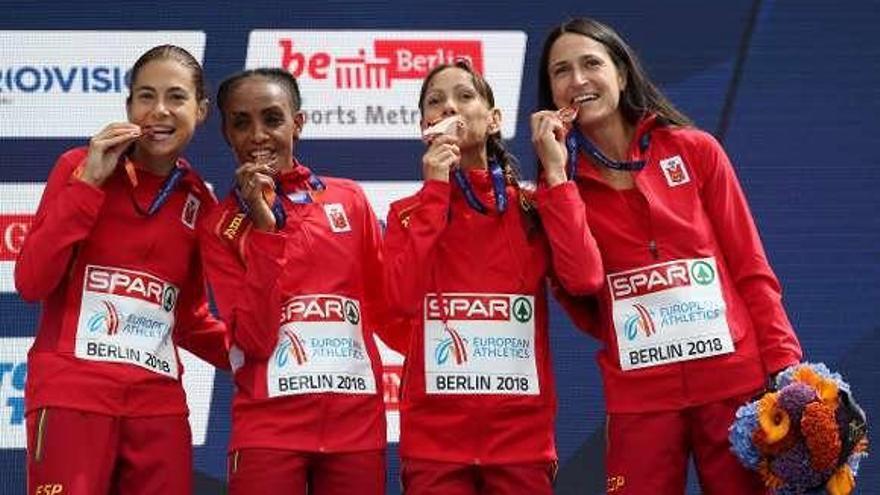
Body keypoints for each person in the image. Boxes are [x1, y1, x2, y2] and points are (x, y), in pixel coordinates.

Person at [531, 17, 803, 494]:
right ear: (551, 92)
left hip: (734, 389)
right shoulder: (558, 191)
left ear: (622, 72)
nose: (577, 81)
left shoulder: (696, 151)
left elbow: (751, 270)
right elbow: (582, 283)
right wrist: (557, 178)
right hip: (642, 398)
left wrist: (787, 370)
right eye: (561, 71)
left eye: (591, 63)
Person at [14, 44, 228, 494]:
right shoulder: (79, 167)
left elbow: (188, 320)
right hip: (74, 396)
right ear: (128, 105)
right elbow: (32, 282)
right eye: (145, 96)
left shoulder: (198, 201)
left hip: (158, 409)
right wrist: (88, 185)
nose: (160, 111)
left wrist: (258, 359)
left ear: (201, 110)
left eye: (176, 97)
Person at [383, 59, 603, 495]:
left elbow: (585, 279)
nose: (449, 108)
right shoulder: (407, 213)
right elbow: (400, 301)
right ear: (424, 125)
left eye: (464, 96)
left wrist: (556, 175)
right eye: (435, 101)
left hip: (522, 445)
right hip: (434, 447)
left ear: (495, 119)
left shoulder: (531, 206)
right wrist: (435, 193)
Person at [202, 68, 389, 495]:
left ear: (297, 123)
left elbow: (388, 305)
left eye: (272, 118)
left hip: (355, 430)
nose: (258, 135)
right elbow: (253, 339)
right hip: (268, 431)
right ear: (226, 132)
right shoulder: (220, 225)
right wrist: (265, 230)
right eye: (241, 122)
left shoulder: (349, 199)